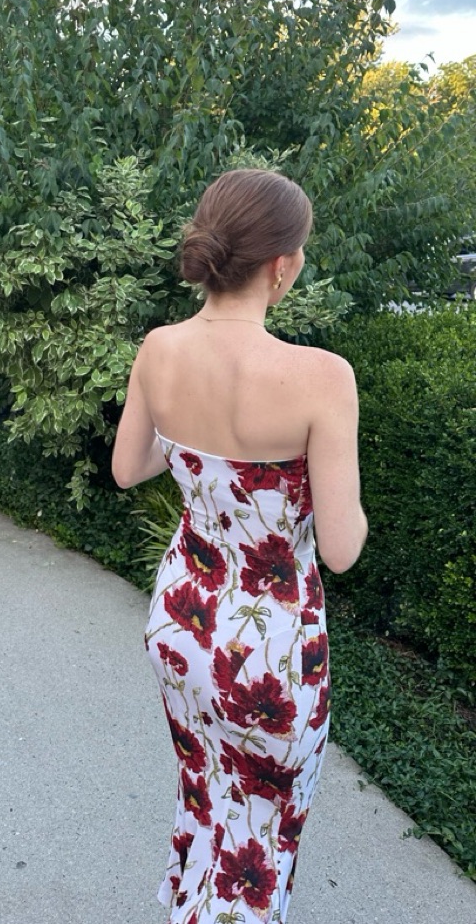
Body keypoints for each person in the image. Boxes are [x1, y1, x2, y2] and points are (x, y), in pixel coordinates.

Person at [112, 169, 367, 924]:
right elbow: (342, 548)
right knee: (262, 838)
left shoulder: (159, 348)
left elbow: (129, 468)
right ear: (280, 265)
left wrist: (196, 449)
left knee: (207, 796)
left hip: (182, 625)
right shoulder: (322, 377)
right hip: (270, 653)